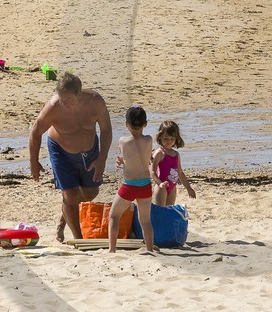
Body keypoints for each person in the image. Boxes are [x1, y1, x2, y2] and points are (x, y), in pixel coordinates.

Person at [29, 71, 113, 241]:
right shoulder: (53, 107)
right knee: (71, 195)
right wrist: (34, 161)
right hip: (61, 150)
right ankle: (78, 239)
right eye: (61, 98)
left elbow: (106, 129)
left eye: (68, 100)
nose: (63, 103)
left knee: (90, 193)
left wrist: (102, 158)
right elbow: (35, 132)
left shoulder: (95, 102)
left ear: (79, 93)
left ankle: (64, 216)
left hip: (89, 151)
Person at [109, 105, 155, 253]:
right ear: (145, 124)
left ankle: (112, 249)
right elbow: (143, 157)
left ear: (126, 124)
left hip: (129, 185)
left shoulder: (123, 141)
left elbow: (126, 157)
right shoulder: (149, 139)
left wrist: (121, 162)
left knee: (114, 216)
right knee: (146, 221)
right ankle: (149, 249)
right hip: (145, 185)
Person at [152, 120, 196, 207]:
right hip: (161, 187)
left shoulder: (176, 154)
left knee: (169, 211)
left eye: (172, 139)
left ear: (176, 139)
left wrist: (188, 188)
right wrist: (160, 183)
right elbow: (152, 172)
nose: (169, 141)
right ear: (160, 137)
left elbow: (180, 173)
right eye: (166, 138)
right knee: (160, 212)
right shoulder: (159, 153)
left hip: (172, 187)